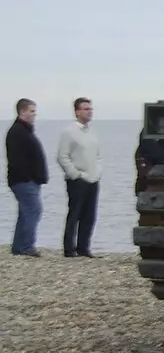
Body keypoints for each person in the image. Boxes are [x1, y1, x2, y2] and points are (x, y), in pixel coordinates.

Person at [56, 97, 102, 258]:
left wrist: (97, 171)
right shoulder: (69, 132)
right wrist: (75, 174)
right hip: (77, 180)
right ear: (77, 112)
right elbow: (62, 156)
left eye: (90, 109)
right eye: (86, 109)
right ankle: (69, 248)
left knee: (89, 215)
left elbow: (97, 155)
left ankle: (84, 247)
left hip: (93, 179)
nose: (89, 111)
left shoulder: (91, 132)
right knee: (74, 214)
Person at [6, 98, 47, 258]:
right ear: (22, 111)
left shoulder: (24, 130)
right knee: (33, 210)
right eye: (31, 111)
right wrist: (29, 177)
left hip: (27, 180)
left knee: (26, 212)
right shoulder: (17, 131)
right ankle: (26, 246)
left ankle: (19, 246)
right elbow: (16, 159)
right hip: (23, 181)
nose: (34, 115)